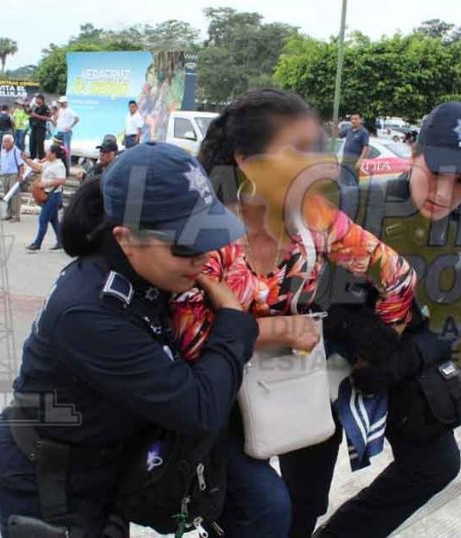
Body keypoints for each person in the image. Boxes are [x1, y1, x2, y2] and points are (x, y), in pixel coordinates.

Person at [0, 143, 256, 538]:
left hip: (104, 465)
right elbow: (199, 407)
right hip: (50, 480)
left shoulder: (148, 273)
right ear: (126, 238)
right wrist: (233, 322)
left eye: (208, 238)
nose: (203, 258)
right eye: (186, 246)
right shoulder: (90, 310)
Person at [174, 88, 417, 538]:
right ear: (247, 160)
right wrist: (278, 328)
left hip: (296, 390)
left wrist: (376, 349)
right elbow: (189, 342)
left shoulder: (316, 218)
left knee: (305, 508)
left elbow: (399, 277)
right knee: (260, 509)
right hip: (218, 399)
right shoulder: (204, 230)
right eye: (298, 150)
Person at [281, 100, 461, 538]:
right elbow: (297, 290)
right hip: (325, 361)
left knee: (436, 465)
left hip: (400, 364)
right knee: (304, 495)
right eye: (436, 173)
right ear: (414, 155)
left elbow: (458, 319)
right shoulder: (354, 205)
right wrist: (346, 325)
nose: (445, 193)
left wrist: (407, 358)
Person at [23, 144, 67, 251]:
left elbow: (62, 180)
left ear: (53, 154)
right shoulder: (48, 163)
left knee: (43, 220)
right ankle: (61, 241)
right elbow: (38, 167)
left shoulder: (59, 165)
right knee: (54, 220)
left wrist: (45, 184)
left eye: (48, 152)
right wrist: (26, 160)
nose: (46, 153)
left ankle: (37, 243)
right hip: (49, 195)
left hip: (53, 195)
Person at [340, 112, 371, 180]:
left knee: (352, 181)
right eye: (352, 119)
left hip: (354, 161)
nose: (353, 121)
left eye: (356, 119)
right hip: (345, 160)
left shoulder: (364, 132)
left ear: (360, 120)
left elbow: (365, 147)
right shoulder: (348, 129)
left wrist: (360, 161)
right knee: (343, 180)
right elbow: (339, 135)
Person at [53, 96, 79, 162]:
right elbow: (55, 118)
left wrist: (70, 127)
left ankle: (67, 163)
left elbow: (77, 118)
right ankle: (61, 161)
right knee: (59, 148)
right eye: (60, 103)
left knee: (66, 148)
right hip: (60, 131)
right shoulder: (60, 110)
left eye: (62, 103)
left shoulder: (69, 110)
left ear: (65, 103)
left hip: (66, 132)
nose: (61, 104)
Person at [28, 94, 51, 160]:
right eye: (36, 99)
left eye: (38, 99)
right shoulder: (35, 107)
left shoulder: (45, 108)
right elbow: (29, 113)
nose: (37, 100)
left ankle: (41, 159)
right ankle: (32, 159)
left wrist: (36, 116)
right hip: (33, 127)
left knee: (40, 145)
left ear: (42, 100)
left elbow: (48, 118)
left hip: (41, 128)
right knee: (32, 144)